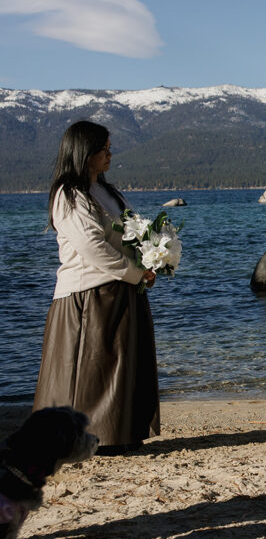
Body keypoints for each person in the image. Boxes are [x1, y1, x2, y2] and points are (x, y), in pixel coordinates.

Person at [34, 120, 160, 455]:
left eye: (108, 148)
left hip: (120, 290)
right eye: (104, 149)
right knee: (91, 370)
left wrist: (153, 257)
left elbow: (134, 232)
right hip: (88, 295)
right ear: (85, 152)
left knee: (119, 368)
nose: (110, 154)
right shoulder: (69, 194)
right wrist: (135, 273)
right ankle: (86, 440)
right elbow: (93, 247)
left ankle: (120, 434)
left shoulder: (109, 191)